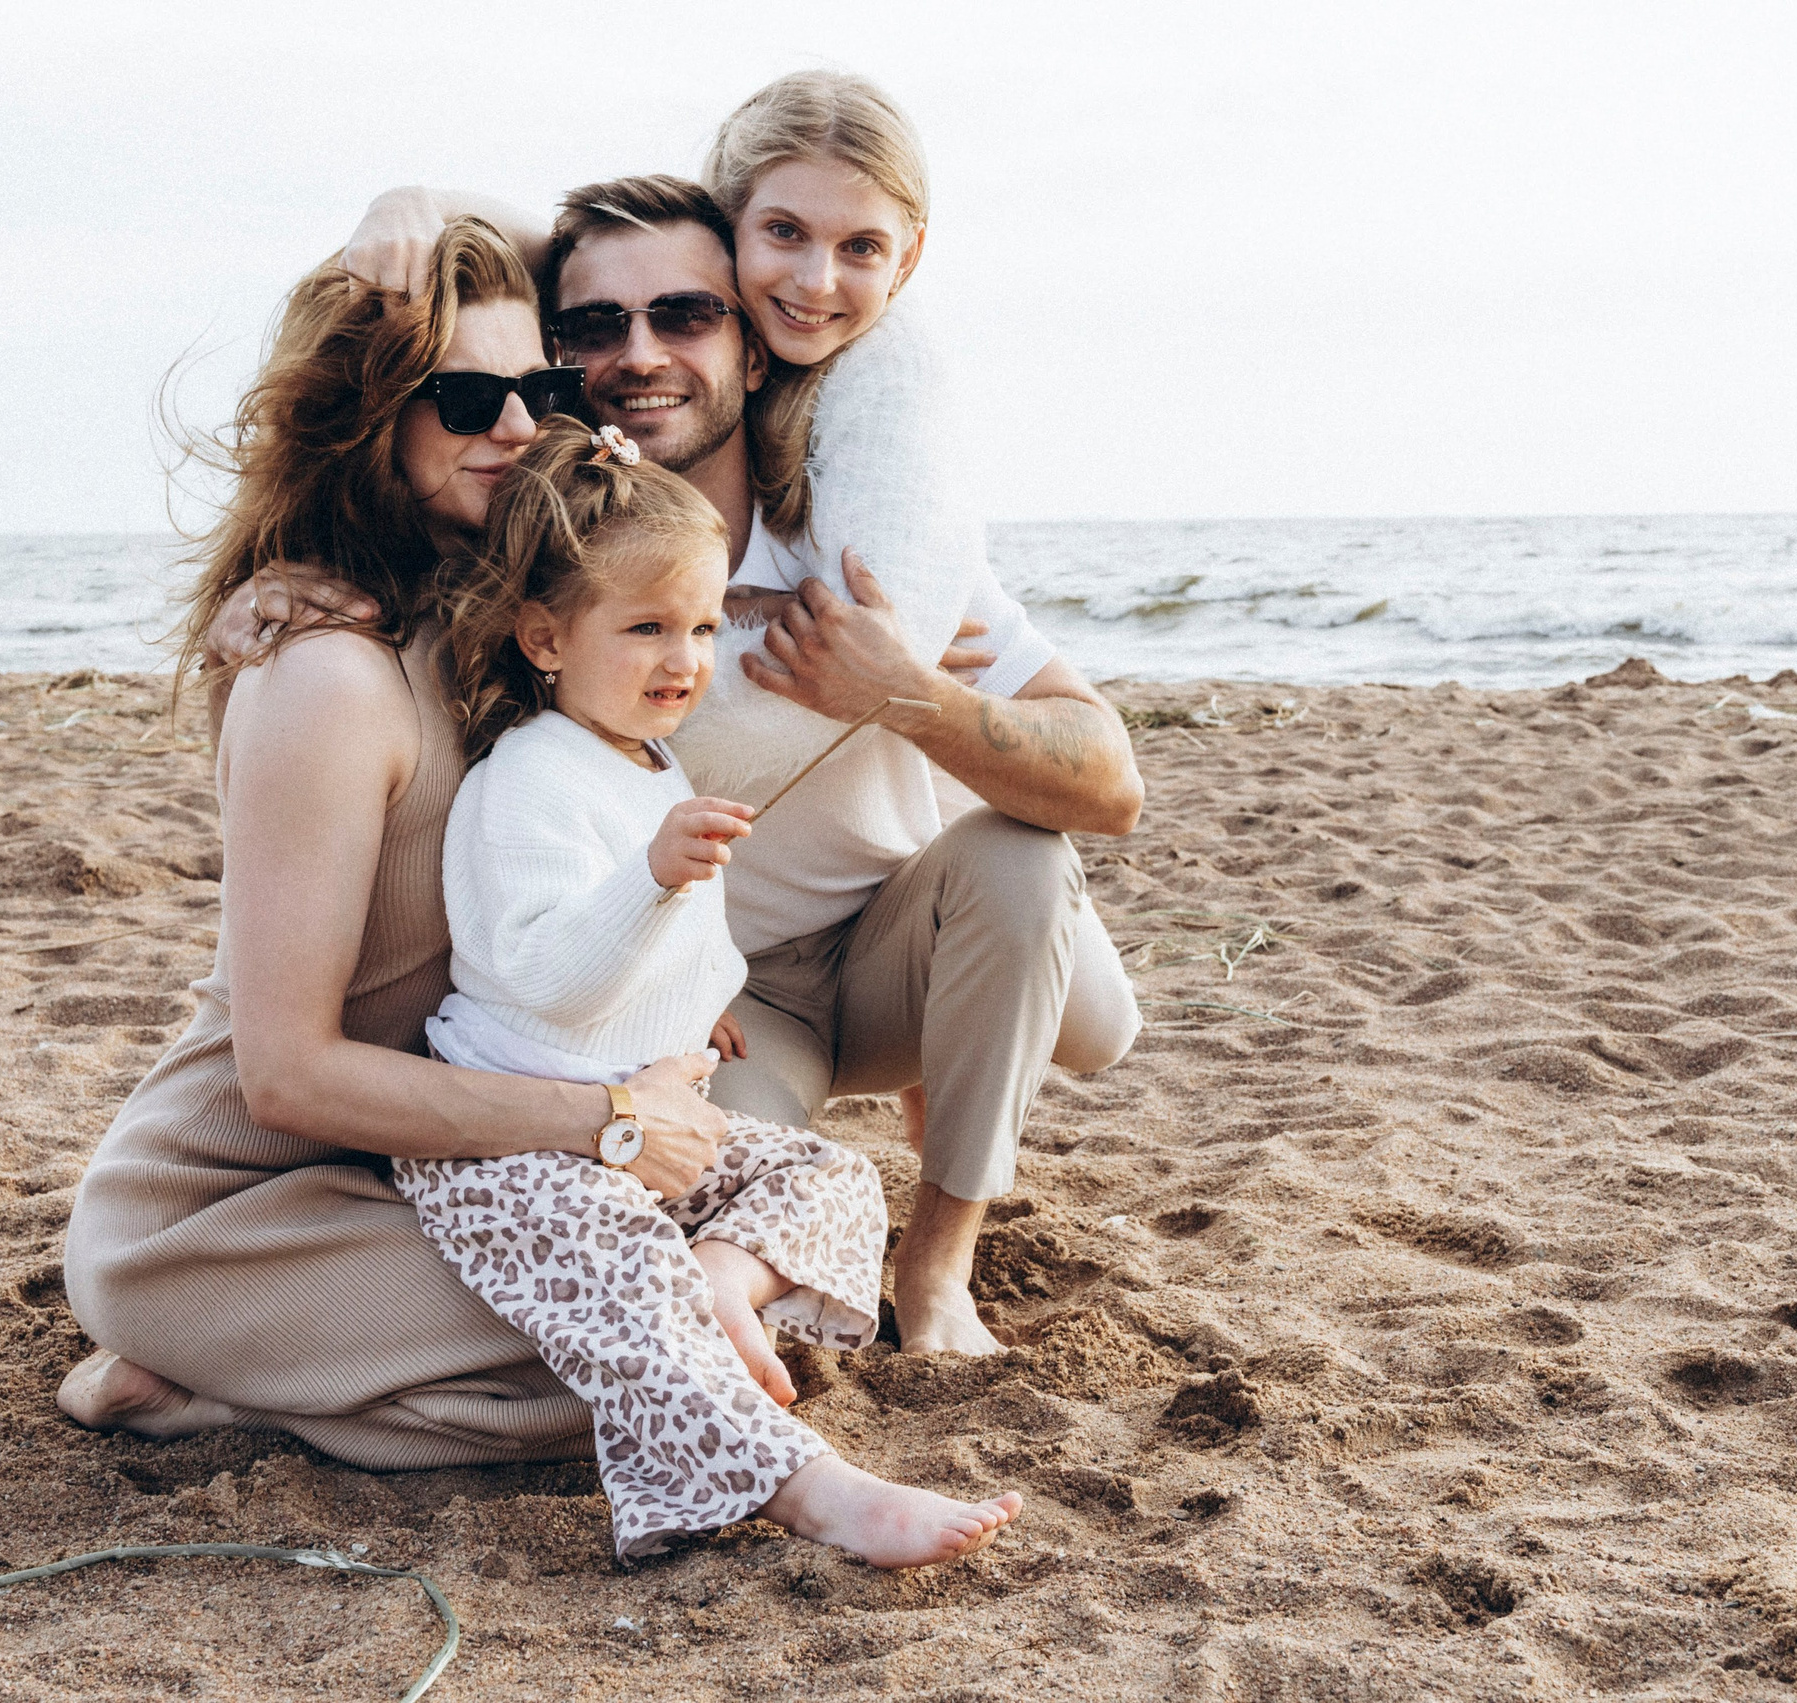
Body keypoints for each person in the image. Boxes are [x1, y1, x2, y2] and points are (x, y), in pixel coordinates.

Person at [238, 78, 1147, 1362]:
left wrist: (905, 691)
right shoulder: (526, 562)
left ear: (749, 342)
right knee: (689, 1220)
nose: (639, 353)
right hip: (714, 998)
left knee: (1026, 868)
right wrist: (278, 585)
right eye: (593, 327)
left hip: (899, 942)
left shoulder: (863, 547)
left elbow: (1111, 783)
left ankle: (940, 1267)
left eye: (683, 314)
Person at [57, 216, 732, 1471]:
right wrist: (606, 1119)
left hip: (417, 1170)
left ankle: (271, 1376)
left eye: (541, 388)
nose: (517, 427)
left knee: (725, 1301)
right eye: (465, 398)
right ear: (368, 414)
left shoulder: (508, 635)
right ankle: (205, 1382)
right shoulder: (327, 670)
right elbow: (286, 1079)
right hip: (227, 1212)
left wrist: (424, 203)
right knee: (664, 1343)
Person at [394, 415, 1020, 1564]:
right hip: (518, 1144)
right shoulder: (526, 776)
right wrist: (651, 877)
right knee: (628, 1275)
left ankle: (722, 1280)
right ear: (545, 637)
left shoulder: (648, 757)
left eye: (699, 624)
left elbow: (675, 943)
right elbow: (545, 972)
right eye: (644, 627)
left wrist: (695, 1001)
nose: (683, 658)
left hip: (640, 1118)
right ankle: (812, 1491)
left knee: (830, 1172)